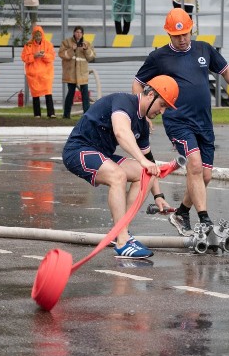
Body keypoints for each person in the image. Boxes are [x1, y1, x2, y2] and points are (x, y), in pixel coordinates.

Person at [133, 8, 229, 236]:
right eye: (177, 35)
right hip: (178, 121)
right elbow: (137, 83)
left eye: (185, 33)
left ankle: (182, 212)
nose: (182, 38)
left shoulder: (204, 49)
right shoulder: (159, 57)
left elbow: (226, 71)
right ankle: (204, 219)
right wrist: (143, 114)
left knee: (204, 176)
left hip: (204, 122)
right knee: (194, 165)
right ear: (168, 34)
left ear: (191, 28)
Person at [62, 75, 180, 259]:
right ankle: (123, 241)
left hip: (102, 155)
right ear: (150, 95)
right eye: (162, 105)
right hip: (78, 150)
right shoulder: (124, 101)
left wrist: (158, 196)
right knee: (117, 176)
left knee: (144, 175)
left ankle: (120, 232)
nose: (162, 112)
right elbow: (121, 132)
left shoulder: (142, 123)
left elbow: (149, 164)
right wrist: (142, 160)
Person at [60, 26, 96, 119]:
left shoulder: (87, 43)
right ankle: (66, 115)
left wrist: (86, 49)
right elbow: (62, 54)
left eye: (80, 32)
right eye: (77, 32)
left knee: (85, 95)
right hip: (70, 73)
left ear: (83, 34)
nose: (78, 34)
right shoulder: (67, 42)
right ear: (73, 33)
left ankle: (87, 115)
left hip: (82, 73)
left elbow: (92, 56)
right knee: (70, 93)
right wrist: (72, 49)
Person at [21, 25, 56, 118]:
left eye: (39, 36)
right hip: (33, 74)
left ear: (42, 35)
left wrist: (43, 55)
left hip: (46, 73)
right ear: (33, 36)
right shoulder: (28, 45)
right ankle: (37, 114)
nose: (38, 38)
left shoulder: (48, 44)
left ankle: (51, 113)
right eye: (36, 36)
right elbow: (24, 58)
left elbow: (51, 57)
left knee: (48, 92)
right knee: (35, 93)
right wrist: (34, 56)